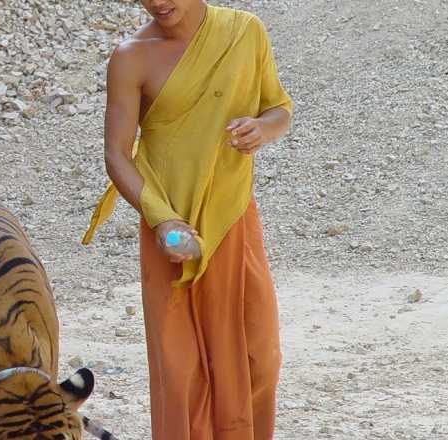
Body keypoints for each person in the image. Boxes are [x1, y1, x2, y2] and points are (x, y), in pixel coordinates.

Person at [81, 1, 293, 439]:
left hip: (232, 221)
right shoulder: (131, 56)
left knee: (259, 356)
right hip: (171, 230)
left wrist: (262, 128)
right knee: (181, 373)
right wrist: (162, 221)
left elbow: (280, 108)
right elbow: (117, 154)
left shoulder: (244, 32)